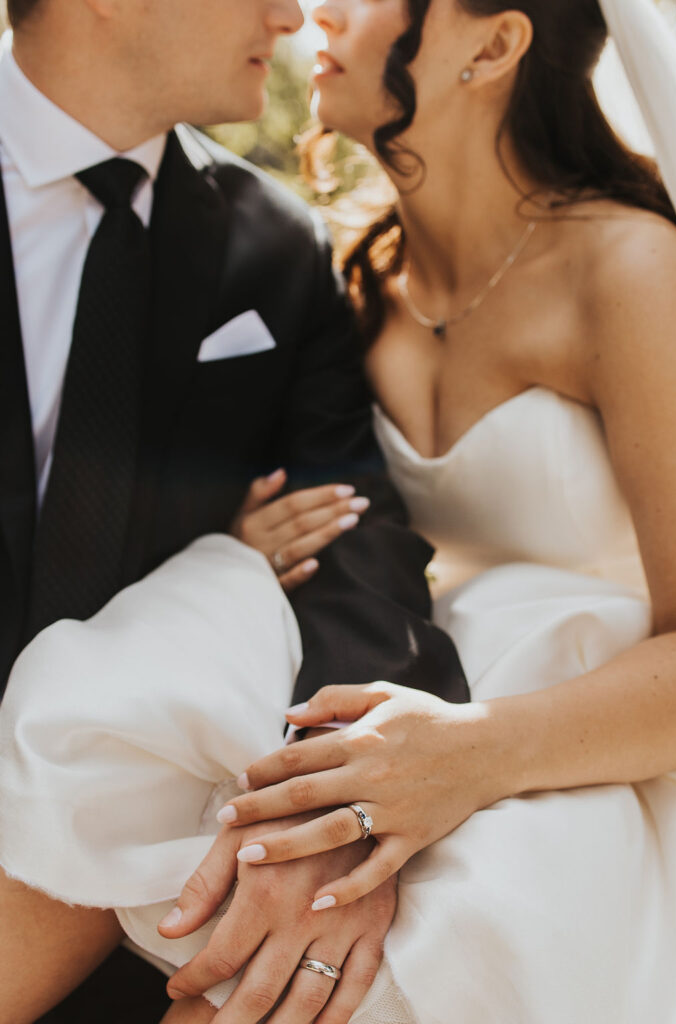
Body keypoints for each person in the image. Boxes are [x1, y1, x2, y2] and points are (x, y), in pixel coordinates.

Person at [115, 0, 676, 1021]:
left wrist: (463, 758)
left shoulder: (630, 269)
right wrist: (242, 538)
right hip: (401, 680)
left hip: (581, 738)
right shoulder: (355, 277)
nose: (316, 9)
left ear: (494, 44)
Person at [0, 0, 468, 1021]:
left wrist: (342, 800)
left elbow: (352, 531)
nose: (291, 13)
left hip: (125, 836)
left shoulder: (276, 244)